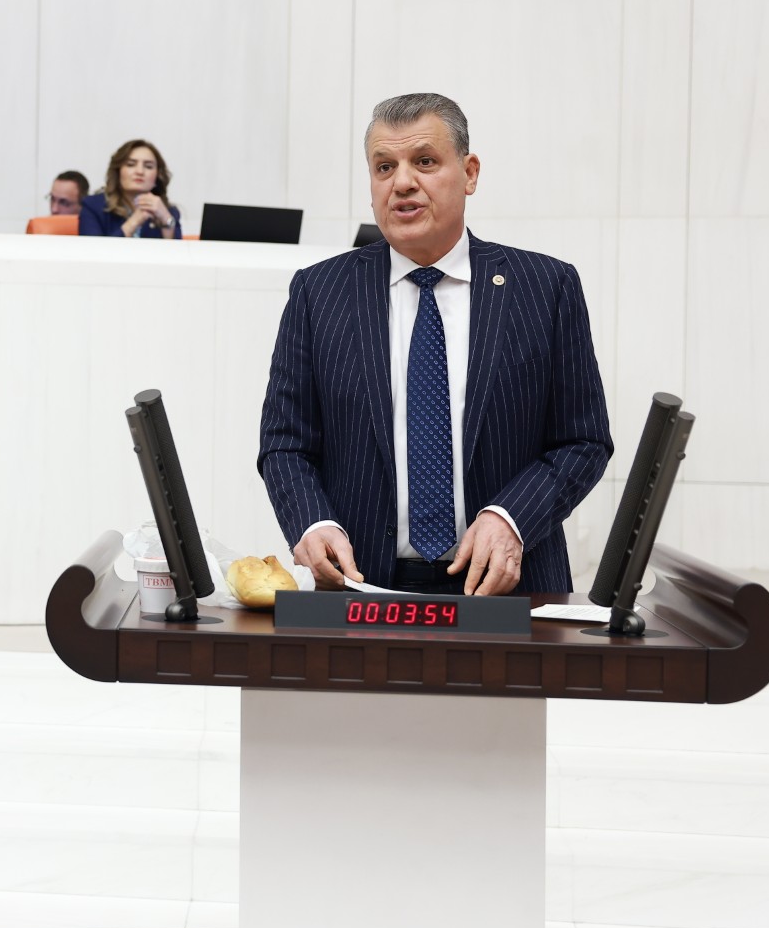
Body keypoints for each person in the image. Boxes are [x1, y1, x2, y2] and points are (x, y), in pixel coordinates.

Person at [257, 93, 611, 597]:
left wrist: (512, 518)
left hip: (510, 593)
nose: (402, 182)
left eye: (424, 161)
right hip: (363, 593)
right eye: (384, 167)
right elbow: (285, 443)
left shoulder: (545, 287)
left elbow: (583, 440)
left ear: (469, 173)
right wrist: (313, 523)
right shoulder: (320, 292)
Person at [79, 140, 181, 238]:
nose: (140, 171)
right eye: (131, 164)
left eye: (148, 166)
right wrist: (134, 222)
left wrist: (166, 221)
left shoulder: (169, 211)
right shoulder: (93, 206)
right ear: (118, 171)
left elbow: (178, 250)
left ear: (158, 175)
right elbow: (93, 249)